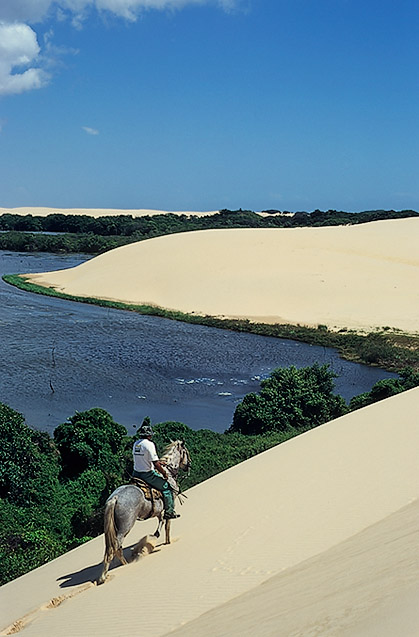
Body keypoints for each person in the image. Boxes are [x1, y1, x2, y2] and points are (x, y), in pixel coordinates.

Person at [132, 419, 180, 520]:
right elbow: (156, 465)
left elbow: (144, 458)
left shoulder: (136, 444)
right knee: (167, 488)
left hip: (135, 473)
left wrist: (158, 461)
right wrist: (164, 473)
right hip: (147, 475)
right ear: (149, 435)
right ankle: (169, 512)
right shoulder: (149, 444)